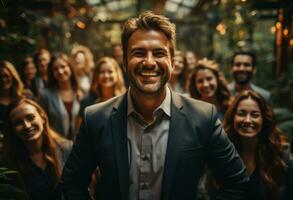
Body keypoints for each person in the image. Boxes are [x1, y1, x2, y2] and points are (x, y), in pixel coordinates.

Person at [60, 11, 249, 200]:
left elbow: (237, 183)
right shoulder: (96, 118)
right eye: (139, 53)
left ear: (172, 62)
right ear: (125, 62)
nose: (149, 62)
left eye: (159, 53)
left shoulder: (202, 117)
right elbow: (72, 183)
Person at [223, 90, 293, 199]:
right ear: (232, 118)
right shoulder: (222, 154)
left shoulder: (282, 157)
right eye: (241, 114)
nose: (247, 120)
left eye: (255, 115)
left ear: (264, 119)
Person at [3, 98, 73, 200]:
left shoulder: (67, 149)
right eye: (18, 123)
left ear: (43, 118)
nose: (27, 125)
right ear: (12, 129)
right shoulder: (8, 163)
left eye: (30, 117)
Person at [39, 53, 80, 140]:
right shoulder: (45, 95)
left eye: (63, 66)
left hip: (80, 146)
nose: (60, 71)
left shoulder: (81, 93)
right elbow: (43, 124)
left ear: (70, 68)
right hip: (57, 145)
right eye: (55, 69)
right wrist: (61, 142)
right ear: (52, 73)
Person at [78, 56, 126, 126]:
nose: (106, 75)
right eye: (102, 72)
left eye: (110, 72)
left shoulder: (125, 100)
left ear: (117, 74)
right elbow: (79, 130)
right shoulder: (87, 102)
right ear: (96, 76)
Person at [0, 60, 24, 150]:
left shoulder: (24, 98)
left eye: (6, 76)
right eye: (0, 77)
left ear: (13, 76)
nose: (3, 80)